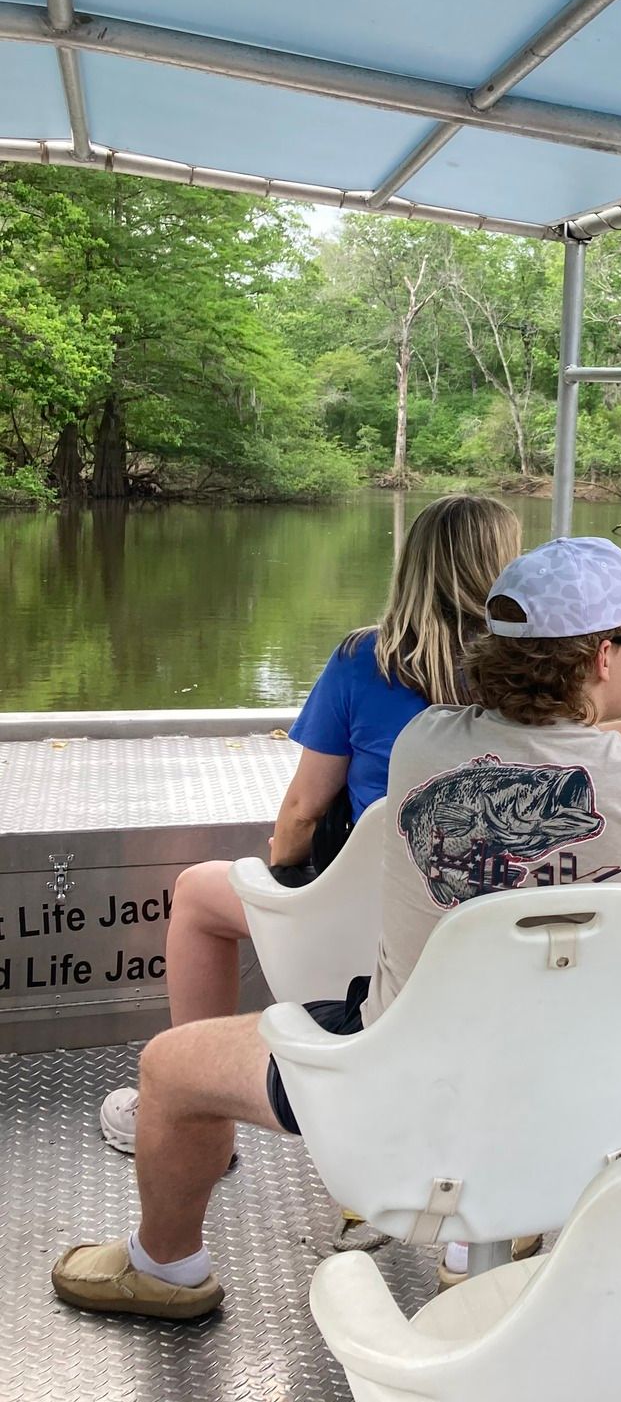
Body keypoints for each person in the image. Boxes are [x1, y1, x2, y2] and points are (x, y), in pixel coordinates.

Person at [52, 536, 621, 1320]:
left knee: (169, 1068)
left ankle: (165, 1271)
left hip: (405, 1116)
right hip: (604, 1126)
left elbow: (559, 749)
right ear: (605, 658)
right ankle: (497, 1244)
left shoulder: (423, 744)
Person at [98, 494, 522, 1156]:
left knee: (198, 895)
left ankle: (193, 1113)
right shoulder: (532, 677)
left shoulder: (365, 659)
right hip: (485, 935)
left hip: (364, 929)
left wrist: (284, 874)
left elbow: (303, 811)